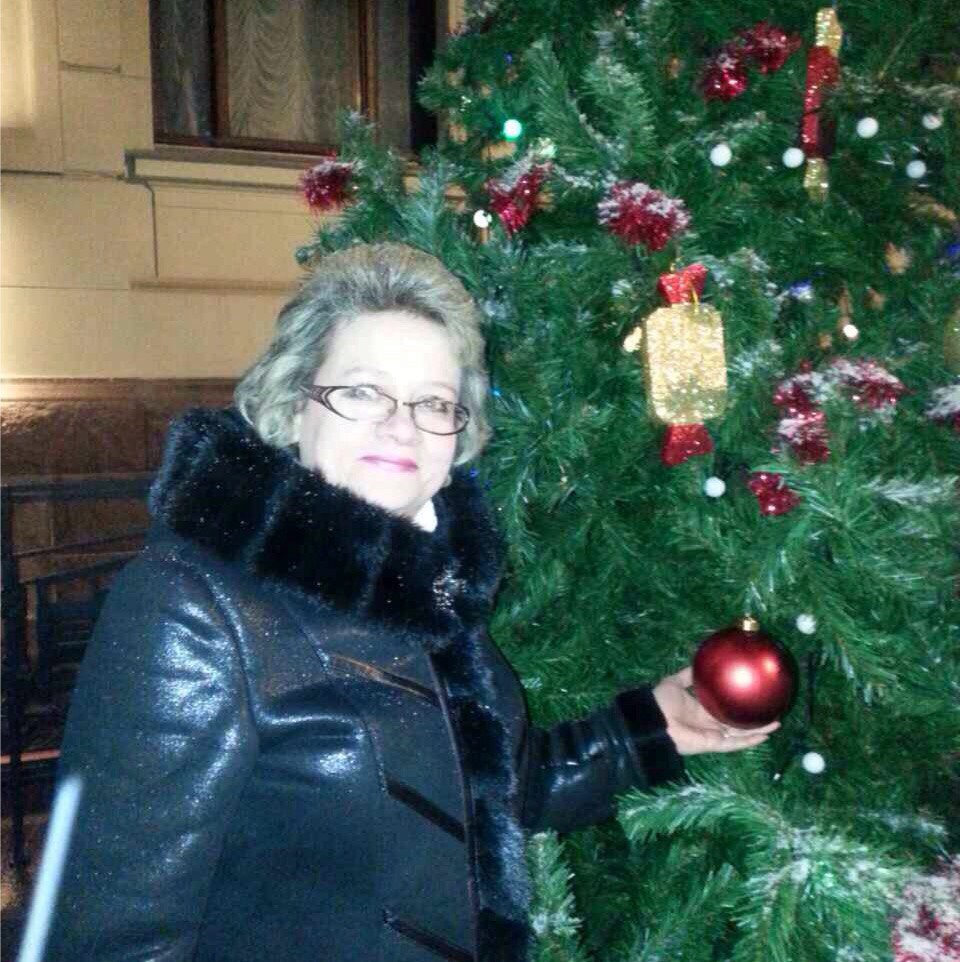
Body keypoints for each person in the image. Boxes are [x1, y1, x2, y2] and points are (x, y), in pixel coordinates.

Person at [45, 242, 776, 962]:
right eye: (363, 391)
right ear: (295, 405)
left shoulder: (427, 591)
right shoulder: (192, 607)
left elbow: (484, 795)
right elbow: (111, 935)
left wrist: (648, 728)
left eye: (433, 402)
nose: (402, 426)